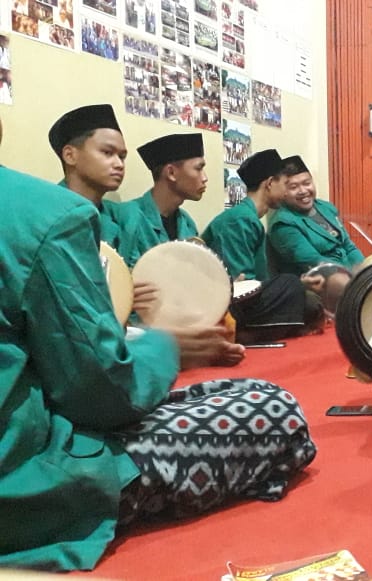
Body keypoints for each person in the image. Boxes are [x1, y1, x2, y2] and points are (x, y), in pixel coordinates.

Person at [0, 115, 316, 571]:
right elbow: (100, 393)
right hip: (22, 488)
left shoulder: (182, 218)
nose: (118, 165)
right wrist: (165, 346)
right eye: (108, 153)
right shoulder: (51, 214)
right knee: (269, 406)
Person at [201, 149, 323, 343]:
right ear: (269, 184)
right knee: (292, 285)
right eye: (284, 184)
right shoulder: (239, 220)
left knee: (307, 298)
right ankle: (241, 336)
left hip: (249, 299)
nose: (285, 192)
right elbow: (241, 287)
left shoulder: (250, 218)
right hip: (229, 306)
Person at [48, 104, 141, 253]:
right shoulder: (46, 213)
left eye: (122, 157)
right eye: (107, 152)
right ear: (70, 155)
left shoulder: (122, 219)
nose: (119, 164)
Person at [268, 155, 365, 275]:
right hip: (319, 283)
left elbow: (349, 247)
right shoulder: (283, 224)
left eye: (306, 183)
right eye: (294, 187)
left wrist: (365, 271)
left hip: (349, 276)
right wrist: (352, 276)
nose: (303, 191)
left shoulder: (326, 208)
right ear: (284, 191)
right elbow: (314, 262)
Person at [120, 132, 206, 266]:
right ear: (171, 173)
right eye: (198, 169)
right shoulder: (129, 218)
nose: (205, 178)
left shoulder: (187, 224)